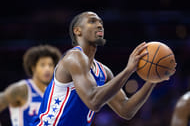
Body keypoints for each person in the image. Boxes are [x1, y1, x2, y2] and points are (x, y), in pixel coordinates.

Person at [33, 11, 176, 126]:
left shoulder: (103, 71)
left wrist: (153, 79)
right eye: (92, 21)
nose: (99, 25)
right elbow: (93, 101)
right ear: (78, 31)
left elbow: (126, 110)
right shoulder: (73, 58)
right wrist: (128, 70)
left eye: (100, 22)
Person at [0, 45, 62, 126]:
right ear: (33, 68)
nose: (47, 69)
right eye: (43, 65)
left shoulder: (53, 93)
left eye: (50, 65)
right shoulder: (21, 89)